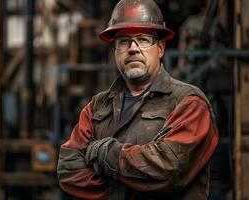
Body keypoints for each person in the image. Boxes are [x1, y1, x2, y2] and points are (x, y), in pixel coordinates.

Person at [57, 0, 219, 199]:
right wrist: (134, 183)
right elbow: (68, 169)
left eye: (143, 39)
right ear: (115, 51)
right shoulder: (97, 107)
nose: (133, 48)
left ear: (160, 48)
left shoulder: (189, 104)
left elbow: (168, 168)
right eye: (124, 41)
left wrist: (103, 153)